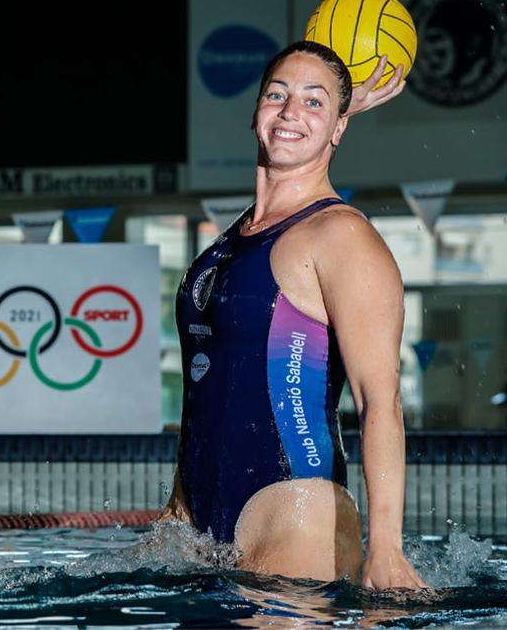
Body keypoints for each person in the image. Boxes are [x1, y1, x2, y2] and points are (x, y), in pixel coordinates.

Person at [162, 41, 428, 590]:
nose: (289, 111)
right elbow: (208, 381)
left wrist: (387, 548)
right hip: (198, 517)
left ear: (339, 130)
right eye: (277, 96)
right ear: (254, 110)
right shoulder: (232, 239)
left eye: (315, 103)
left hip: (296, 510)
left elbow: (381, 400)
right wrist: (177, 507)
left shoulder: (341, 237)